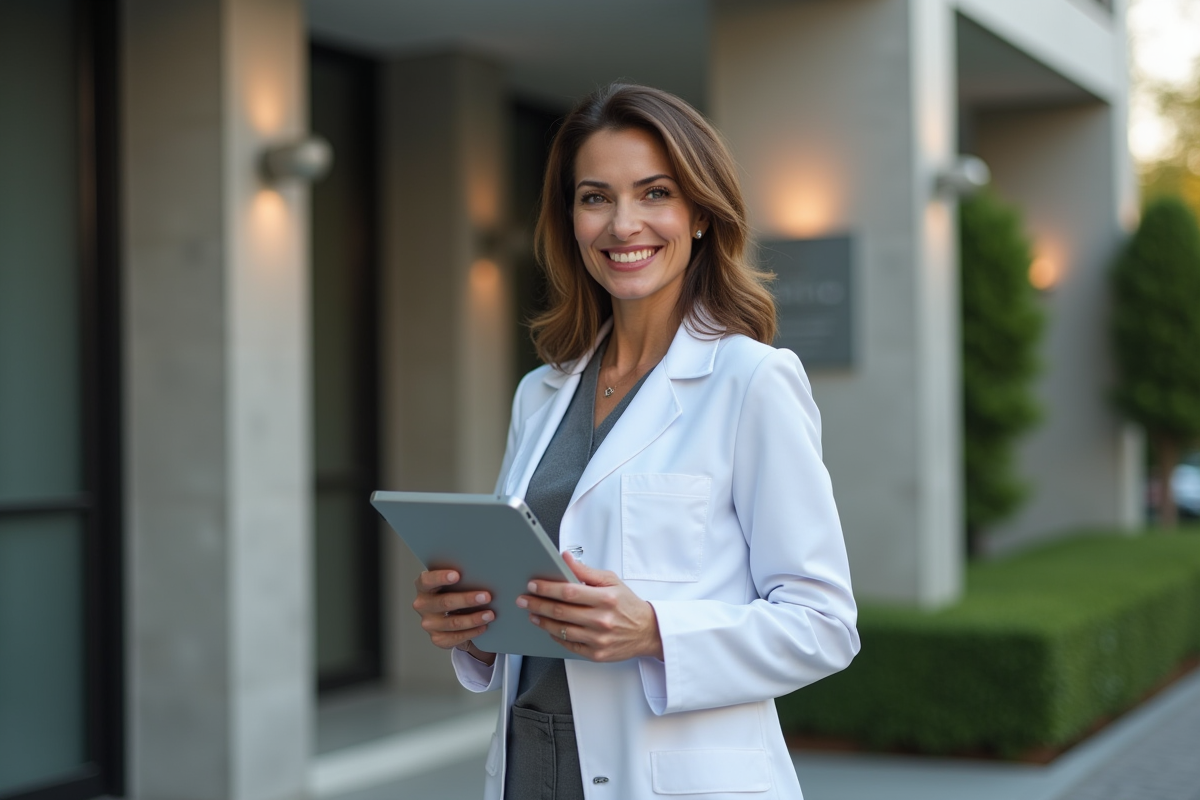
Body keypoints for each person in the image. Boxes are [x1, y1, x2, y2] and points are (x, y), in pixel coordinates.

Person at [412, 82, 859, 800]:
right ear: (571, 220)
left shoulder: (752, 381)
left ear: (701, 214)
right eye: (595, 198)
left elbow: (823, 624)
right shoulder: (542, 393)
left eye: (654, 193)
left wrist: (655, 631)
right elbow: (531, 601)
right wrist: (469, 623)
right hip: (530, 763)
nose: (624, 224)